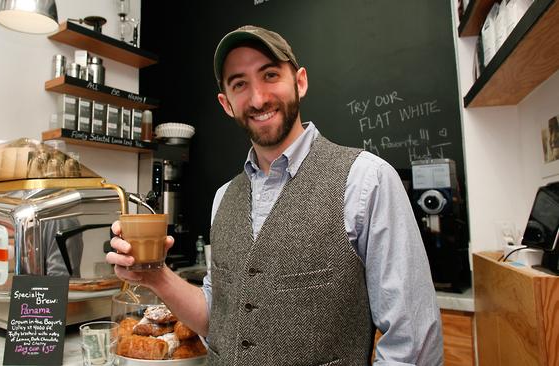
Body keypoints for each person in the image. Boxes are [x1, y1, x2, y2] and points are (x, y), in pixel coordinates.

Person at [107, 25, 443, 365]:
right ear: (226, 103)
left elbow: (412, 342)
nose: (258, 98)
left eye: (270, 75)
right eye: (240, 84)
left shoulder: (366, 180)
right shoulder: (223, 198)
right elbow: (218, 319)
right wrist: (156, 276)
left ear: (300, 82)